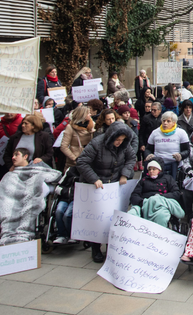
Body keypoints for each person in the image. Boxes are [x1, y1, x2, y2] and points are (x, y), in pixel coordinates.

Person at [76, 121, 134, 262]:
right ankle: (95, 248)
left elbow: (132, 158)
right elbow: (82, 161)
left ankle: (111, 248)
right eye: (117, 140)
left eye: (122, 140)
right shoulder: (97, 144)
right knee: (98, 219)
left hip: (114, 186)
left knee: (112, 219)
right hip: (98, 186)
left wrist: (125, 174)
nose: (119, 143)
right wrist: (94, 179)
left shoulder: (124, 146)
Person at [0, 148, 62, 246]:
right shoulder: (10, 174)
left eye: (16, 155)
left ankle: (23, 231)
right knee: (7, 205)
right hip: (12, 199)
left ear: (25, 156)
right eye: (12, 155)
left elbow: (54, 174)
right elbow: (4, 190)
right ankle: (10, 233)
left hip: (29, 197)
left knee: (30, 203)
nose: (13, 158)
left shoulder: (37, 167)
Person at [128, 160, 184, 227]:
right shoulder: (143, 180)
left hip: (160, 206)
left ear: (159, 170)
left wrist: (159, 197)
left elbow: (176, 193)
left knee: (162, 216)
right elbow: (134, 195)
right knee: (131, 213)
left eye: (154, 169)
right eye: (149, 169)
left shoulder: (168, 178)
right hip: (144, 204)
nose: (151, 171)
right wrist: (143, 202)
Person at [145, 111, 190, 179]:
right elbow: (148, 149)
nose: (165, 123)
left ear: (174, 123)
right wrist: (148, 155)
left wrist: (181, 155)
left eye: (168, 121)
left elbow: (187, 150)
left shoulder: (181, 133)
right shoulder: (155, 133)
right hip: (157, 164)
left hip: (174, 164)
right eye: (163, 121)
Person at [60, 106, 96, 170]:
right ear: (83, 115)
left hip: (90, 157)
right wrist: (74, 158)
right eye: (88, 113)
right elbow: (63, 146)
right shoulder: (70, 127)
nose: (90, 114)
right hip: (75, 160)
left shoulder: (92, 124)